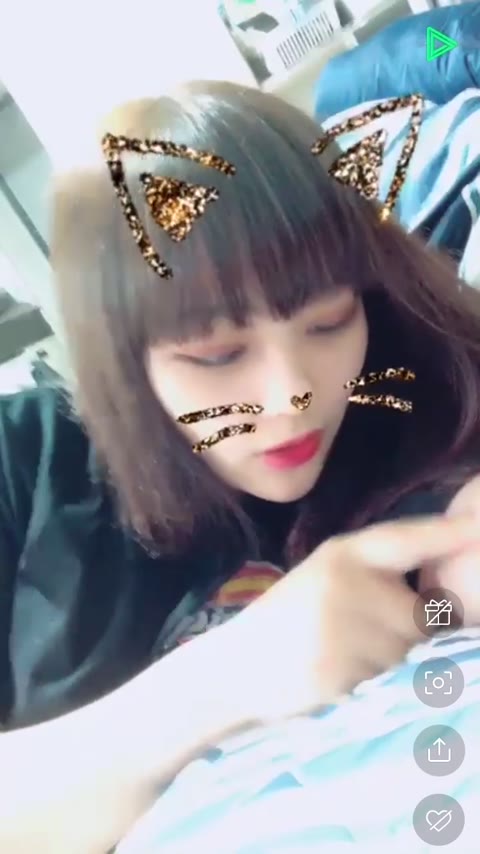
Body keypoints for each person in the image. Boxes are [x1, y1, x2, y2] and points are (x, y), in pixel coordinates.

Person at [1, 80, 480, 854]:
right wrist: (226, 679)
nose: (292, 396)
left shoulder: (419, 397)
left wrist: (447, 602)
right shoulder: (25, 467)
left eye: (329, 322)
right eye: (217, 355)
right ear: (119, 356)